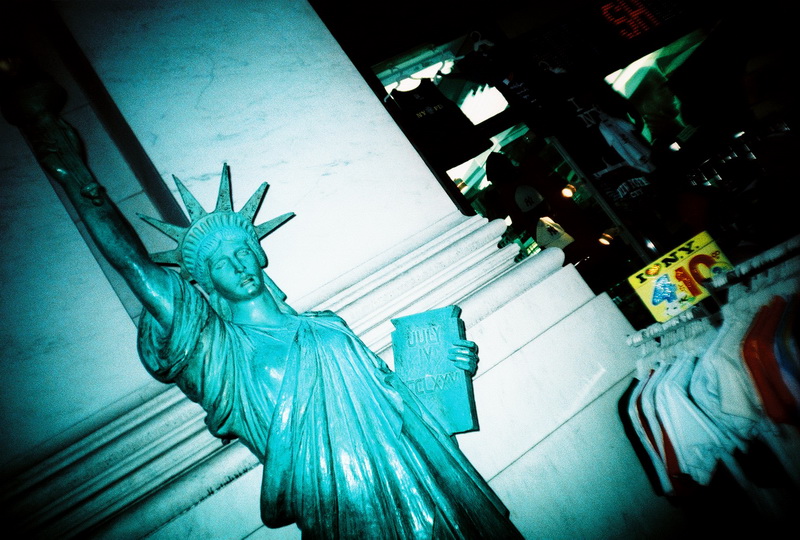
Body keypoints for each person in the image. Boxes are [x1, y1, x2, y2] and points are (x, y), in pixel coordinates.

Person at [1, 59, 524, 539]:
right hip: (342, 506)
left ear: (259, 256)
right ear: (207, 282)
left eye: (242, 253)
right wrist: (64, 159)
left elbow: (396, 405)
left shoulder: (326, 326)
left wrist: (444, 369)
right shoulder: (217, 351)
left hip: (421, 480)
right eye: (220, 264)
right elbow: (134, 265)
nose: (237, 266)